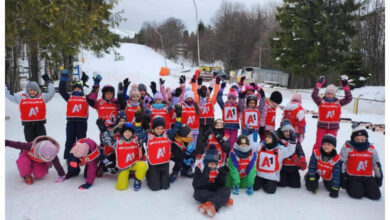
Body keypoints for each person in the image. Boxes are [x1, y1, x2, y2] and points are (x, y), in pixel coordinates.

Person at [135, 106, 182, 191]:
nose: (159, 130)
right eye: (157, 128)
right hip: (154, 164)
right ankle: (149, 174)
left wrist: (178, 117)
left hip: (164, 162)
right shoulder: (149, 136)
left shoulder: (167, 134)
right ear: (153, 128)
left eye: (161, 128)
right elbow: (138, 134)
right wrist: (138, 123)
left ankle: (160, 177)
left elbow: (176, 128)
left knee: (166, 186)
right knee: (155, 187)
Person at [6, 74, 55, 142]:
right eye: (30, 90)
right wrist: (5, 87)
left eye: (34, 90)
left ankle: (41, 152)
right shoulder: (21, 98)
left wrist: (49, 82)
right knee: (30, 143)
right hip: (28, 126)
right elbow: (9, 96)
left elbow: (51, 93)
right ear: (27, 90)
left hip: (40, 125)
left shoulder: (42, 97)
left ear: (37, 90)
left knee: (42, 142)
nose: (32, 92)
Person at [101, 122, 148, 191]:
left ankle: (137, 180)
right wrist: (103, 130)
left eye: (129, 132)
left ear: (132, 132)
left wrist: (139, 124)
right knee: (121, 187)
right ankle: (126, 176)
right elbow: (107, 140)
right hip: (123, 167)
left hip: (134, 163)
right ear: (122, 132)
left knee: (143, 165)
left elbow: (143, 136)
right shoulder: (117, 142)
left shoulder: (136, 140)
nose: (127, 134)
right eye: (125, 132)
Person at [340, 127, 382, 200]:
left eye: (362, 139)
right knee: (357, 194)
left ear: (366, 138)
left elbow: (376, 163)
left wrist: (379, 177)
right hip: (353, 176)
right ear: (353, 139)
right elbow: (342, 162)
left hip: (367, 176)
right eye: (357, 139)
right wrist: (342, 176)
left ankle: (365, 187)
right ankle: (354, 186)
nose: (360, 141)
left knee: (376, 196)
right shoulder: (347, 147)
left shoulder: (371, 149)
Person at [311, 76, 352, 150]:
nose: (329, 95)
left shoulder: (338, 103)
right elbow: (314, 95)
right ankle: (315, 158)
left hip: (333, 128)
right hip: (322, 127)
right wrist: (319, 84)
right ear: (325, 93)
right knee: (319, 144)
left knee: (331, 145)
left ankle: (329, 159)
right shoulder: (321, 102)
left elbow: (349, 98)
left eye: (331, 93)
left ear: (334, 94)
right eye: (328, 93)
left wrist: (345, 87)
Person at [192, 146, 232, 217]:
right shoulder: (199, 167)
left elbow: (221, 185)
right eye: (211, 164)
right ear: (207, 162)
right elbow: (195, 185)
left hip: (214, 187)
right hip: (203, 188)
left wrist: (222, 175)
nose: (214, 166)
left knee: (227, 189)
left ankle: (211, 204)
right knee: (197, 194)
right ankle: (222, 199)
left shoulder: (219, 167)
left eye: (215, 164)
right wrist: (206, 173)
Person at [58, 69, 89, 160]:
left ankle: (81, 156)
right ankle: (68, 157)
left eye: (79, 88)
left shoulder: (85, 98)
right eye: (75, 88)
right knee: (70, 140)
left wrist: (96, 85)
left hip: (82, 123)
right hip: (71, 122)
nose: (77, 90)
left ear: (82, 90)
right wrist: (63, 80)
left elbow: (94, 96)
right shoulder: (70, 97)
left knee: (81, 141)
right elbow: (61, 91)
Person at [277, 119, 306, 188]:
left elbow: (300, 150)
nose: (288, 133)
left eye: (289, 131)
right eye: (285, 131)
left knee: (295, 185)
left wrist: (301, 157)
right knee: (282, 184)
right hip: (283, 167)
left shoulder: (295, 140)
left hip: (293, 166)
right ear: (282, 131)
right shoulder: (279, 141)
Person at [217, 84, 241, 152]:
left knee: (233, 141)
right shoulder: (224, 105)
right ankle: (225, 153)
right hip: (226, 127)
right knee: (225, 140)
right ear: (227, 98)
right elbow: (219, 99)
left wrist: (238, 90)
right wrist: (221, 89)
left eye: (233, 98)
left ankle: (231, 154)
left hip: (234, 127)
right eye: (229, 98)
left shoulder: (237, 106)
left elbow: (242, 100)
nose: (231, 100)